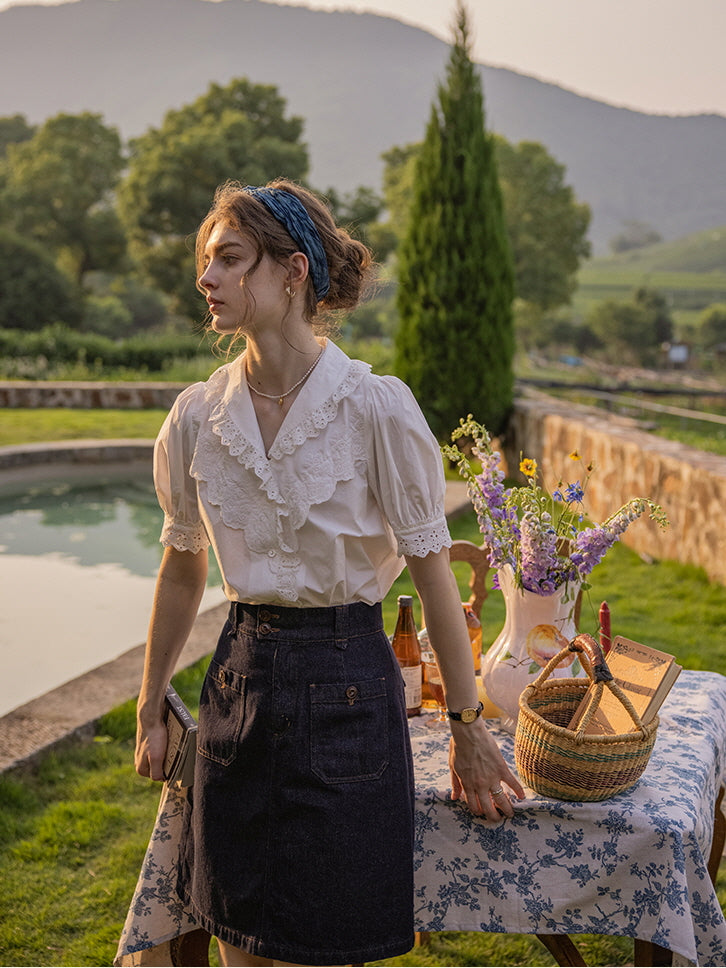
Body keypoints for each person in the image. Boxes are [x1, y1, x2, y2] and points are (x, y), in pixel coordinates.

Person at [134, 178, 524, 968]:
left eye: (228, 260)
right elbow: (182, 570)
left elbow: (433, 572)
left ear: (292, 272)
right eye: (206, 262)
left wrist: (468, 727)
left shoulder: (373, 409)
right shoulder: (194, 420)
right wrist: (149, 703)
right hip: (237, 690)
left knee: (330, 947)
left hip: (348, 688)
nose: (205, 280)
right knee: (240, 944)